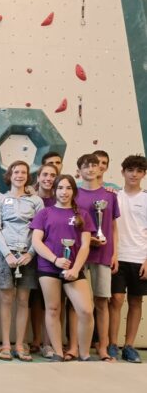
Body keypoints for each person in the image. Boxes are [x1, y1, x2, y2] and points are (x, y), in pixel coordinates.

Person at [31, 175, 95, 361]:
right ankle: (58, 352)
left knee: (86, 311)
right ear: (54, 190)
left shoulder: (82, 215)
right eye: (60, 188)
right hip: (48, 267)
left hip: (74, 269)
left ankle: (84, 354)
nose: (64, 192)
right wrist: (55, 260)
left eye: (68, 188)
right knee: (53, 309)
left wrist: (75, 269)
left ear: (74, 191)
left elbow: (85, 246)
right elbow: (36, 241)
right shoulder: (44, 213)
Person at [0, 160, 44, 361]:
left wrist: (30, 253)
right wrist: (7, 254)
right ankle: (5, 344)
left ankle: (20, 345)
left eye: (23, 172)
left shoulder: (36, 201)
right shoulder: (0, 200)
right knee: (6, 299)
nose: (19, 175)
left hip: (28, 255)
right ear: (10, 176)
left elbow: (40, 230)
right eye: (16, 172)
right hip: (6, 254)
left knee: (23, 300)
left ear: (27, 176)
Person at [74, 153, 120, 361]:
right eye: (86, 166)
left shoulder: (110, 196)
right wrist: (87, 239)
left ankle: (103, 347)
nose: (91, 169)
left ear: (100, 169)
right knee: (76, 304)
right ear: (79, 171)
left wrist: (115, 253)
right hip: (79, 255)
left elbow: (114, 227)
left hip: (103, 254)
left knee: (102, 302)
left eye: (94, 165)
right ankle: (74, 346)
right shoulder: (74, 194)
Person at [108, 155, 147, 363]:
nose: (134, 174)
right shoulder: (113, 196)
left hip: (140, 258)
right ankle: (112, 344)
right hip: (117, 257)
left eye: (139, 171)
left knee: (135, 301)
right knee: (116, 299)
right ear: (123, 172)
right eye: (130, 170)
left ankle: (129, 346)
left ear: (144, 174)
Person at [29, 163, 59, 358]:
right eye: (45, 175)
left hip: (55, 257)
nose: (48, 178)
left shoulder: (61, 197)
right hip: (33, 253)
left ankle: (49, 343)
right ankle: (36, 340)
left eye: (52, 175)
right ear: (38, 177)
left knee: (53, 302)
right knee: (35, 299)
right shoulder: (30, 198)